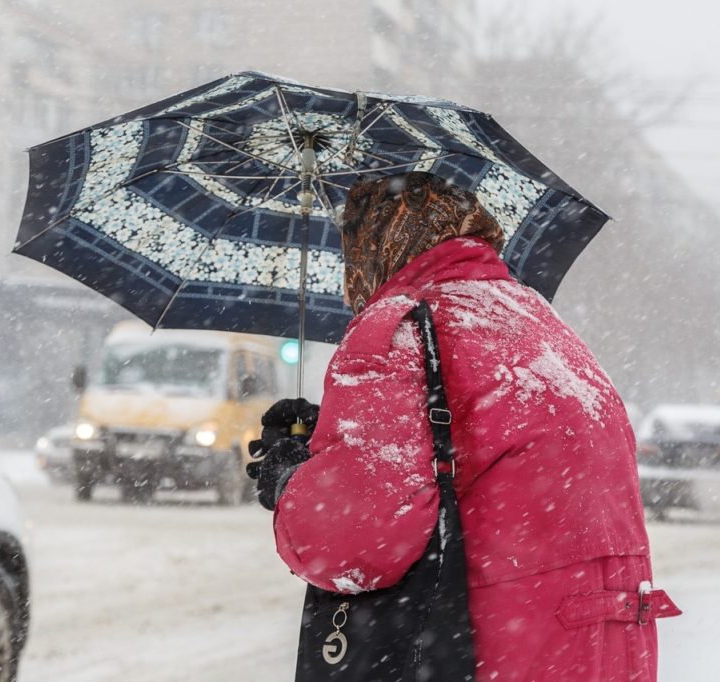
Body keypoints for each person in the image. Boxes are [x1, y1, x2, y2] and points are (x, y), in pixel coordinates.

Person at [247, 171, 680, 681]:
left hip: (495, 651)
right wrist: (337, 446)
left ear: (374, 245)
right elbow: (484, 451)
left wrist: (290, 480)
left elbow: (354, 546)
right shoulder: (537, 321)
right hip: (605, 649)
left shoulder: (400, 329)